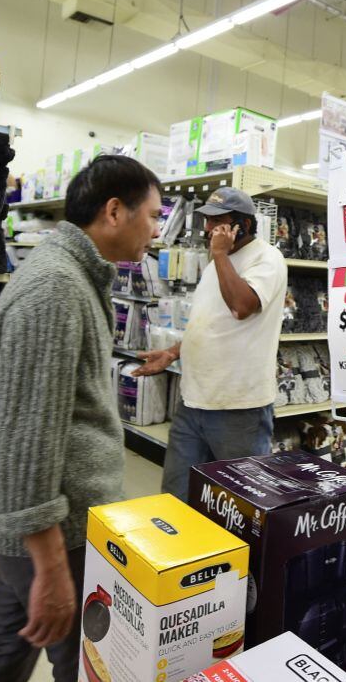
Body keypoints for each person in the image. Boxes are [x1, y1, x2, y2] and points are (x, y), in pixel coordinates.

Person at [0, 155, 161, 682]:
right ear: (115, 211)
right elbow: (29, 440)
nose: (157, 231)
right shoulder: (55, 290)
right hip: (52, 533)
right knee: (88, 665)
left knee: (1, 657)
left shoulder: (74, 278)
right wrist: (48, 568)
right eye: (154, 216)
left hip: (46, 527)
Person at [137, 187, 286, 501]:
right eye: (206, 221)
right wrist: (173, 352)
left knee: (239, 503)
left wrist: (219, 255)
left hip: (238, 408)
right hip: (193, 401)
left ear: (241, 225)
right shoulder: (216, 266)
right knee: (176, 494)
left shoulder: (267, 259)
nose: (207, 229)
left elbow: (242, 307)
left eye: (217, 222)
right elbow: (212, 323)